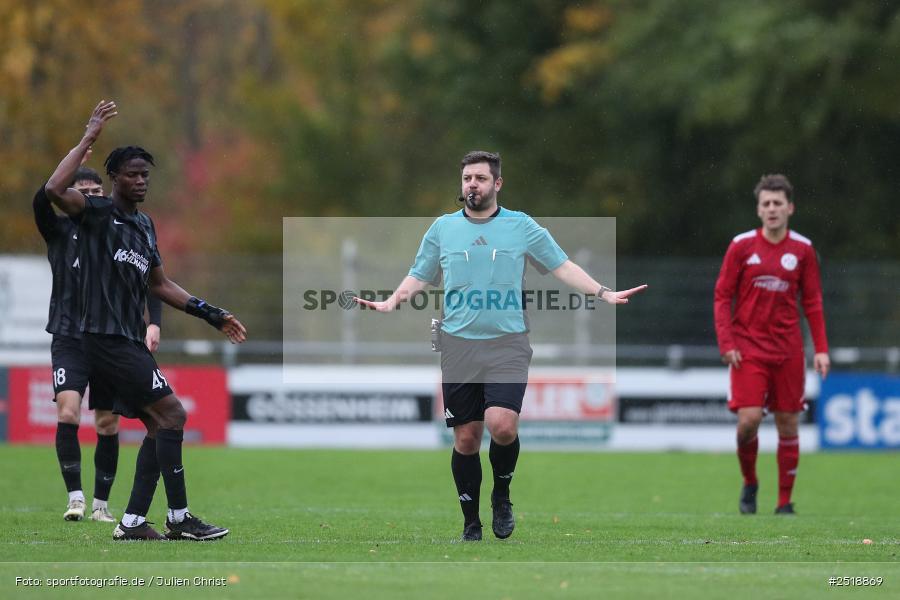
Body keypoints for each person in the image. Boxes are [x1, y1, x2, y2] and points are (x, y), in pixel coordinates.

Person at [356, 150, 647, 541]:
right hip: (458, 346)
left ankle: (502, 496)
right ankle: (470, 523)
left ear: (497, 184)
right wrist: (392, 301)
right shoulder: (442, 228)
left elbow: (562, 265)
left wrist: (602, 292)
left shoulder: (521, 227)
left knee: (503, 426)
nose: (471, 185)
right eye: (466, 179)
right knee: (466, 438)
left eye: (479, 178)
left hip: (508, 344)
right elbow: (419, 275)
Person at [44, 100, 247, 541]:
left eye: (145, 175)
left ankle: (134, 521)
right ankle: (178, 518)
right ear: (114, 178)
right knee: (173, 413)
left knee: (161, 423)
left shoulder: (145, 227)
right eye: (132, 174)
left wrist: (210, 313)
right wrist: (88, 138)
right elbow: (54, 189)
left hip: (127, 340)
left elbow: (160, 284)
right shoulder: (96, 214)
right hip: (101, 339)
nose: (140, 181)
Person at [34, 163, 163, 524]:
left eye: (96, 192)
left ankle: (101, 505)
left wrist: (153, 322)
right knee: (68, 412)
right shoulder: (58, 231)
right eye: (83, 192)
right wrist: (73, 156)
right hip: (70, 338)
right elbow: (44, 196)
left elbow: (150, 278)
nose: (91, 197)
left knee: (107, 424)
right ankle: (75, 498)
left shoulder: (114, 231)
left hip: (109, 338)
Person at [714, 173, 830, 516]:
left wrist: (821, 348)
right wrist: (727, 341)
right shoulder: (741, 246)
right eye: (766, 203)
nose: (772, 208)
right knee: (748, 421)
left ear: (790, 208)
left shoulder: (803, 250)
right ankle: (750, 482)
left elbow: (813, 302)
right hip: (747, 349)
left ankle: (784, 503)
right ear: (758, 209)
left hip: (788, 350)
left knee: (787, 423)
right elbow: (722, 296)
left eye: (778, 203)